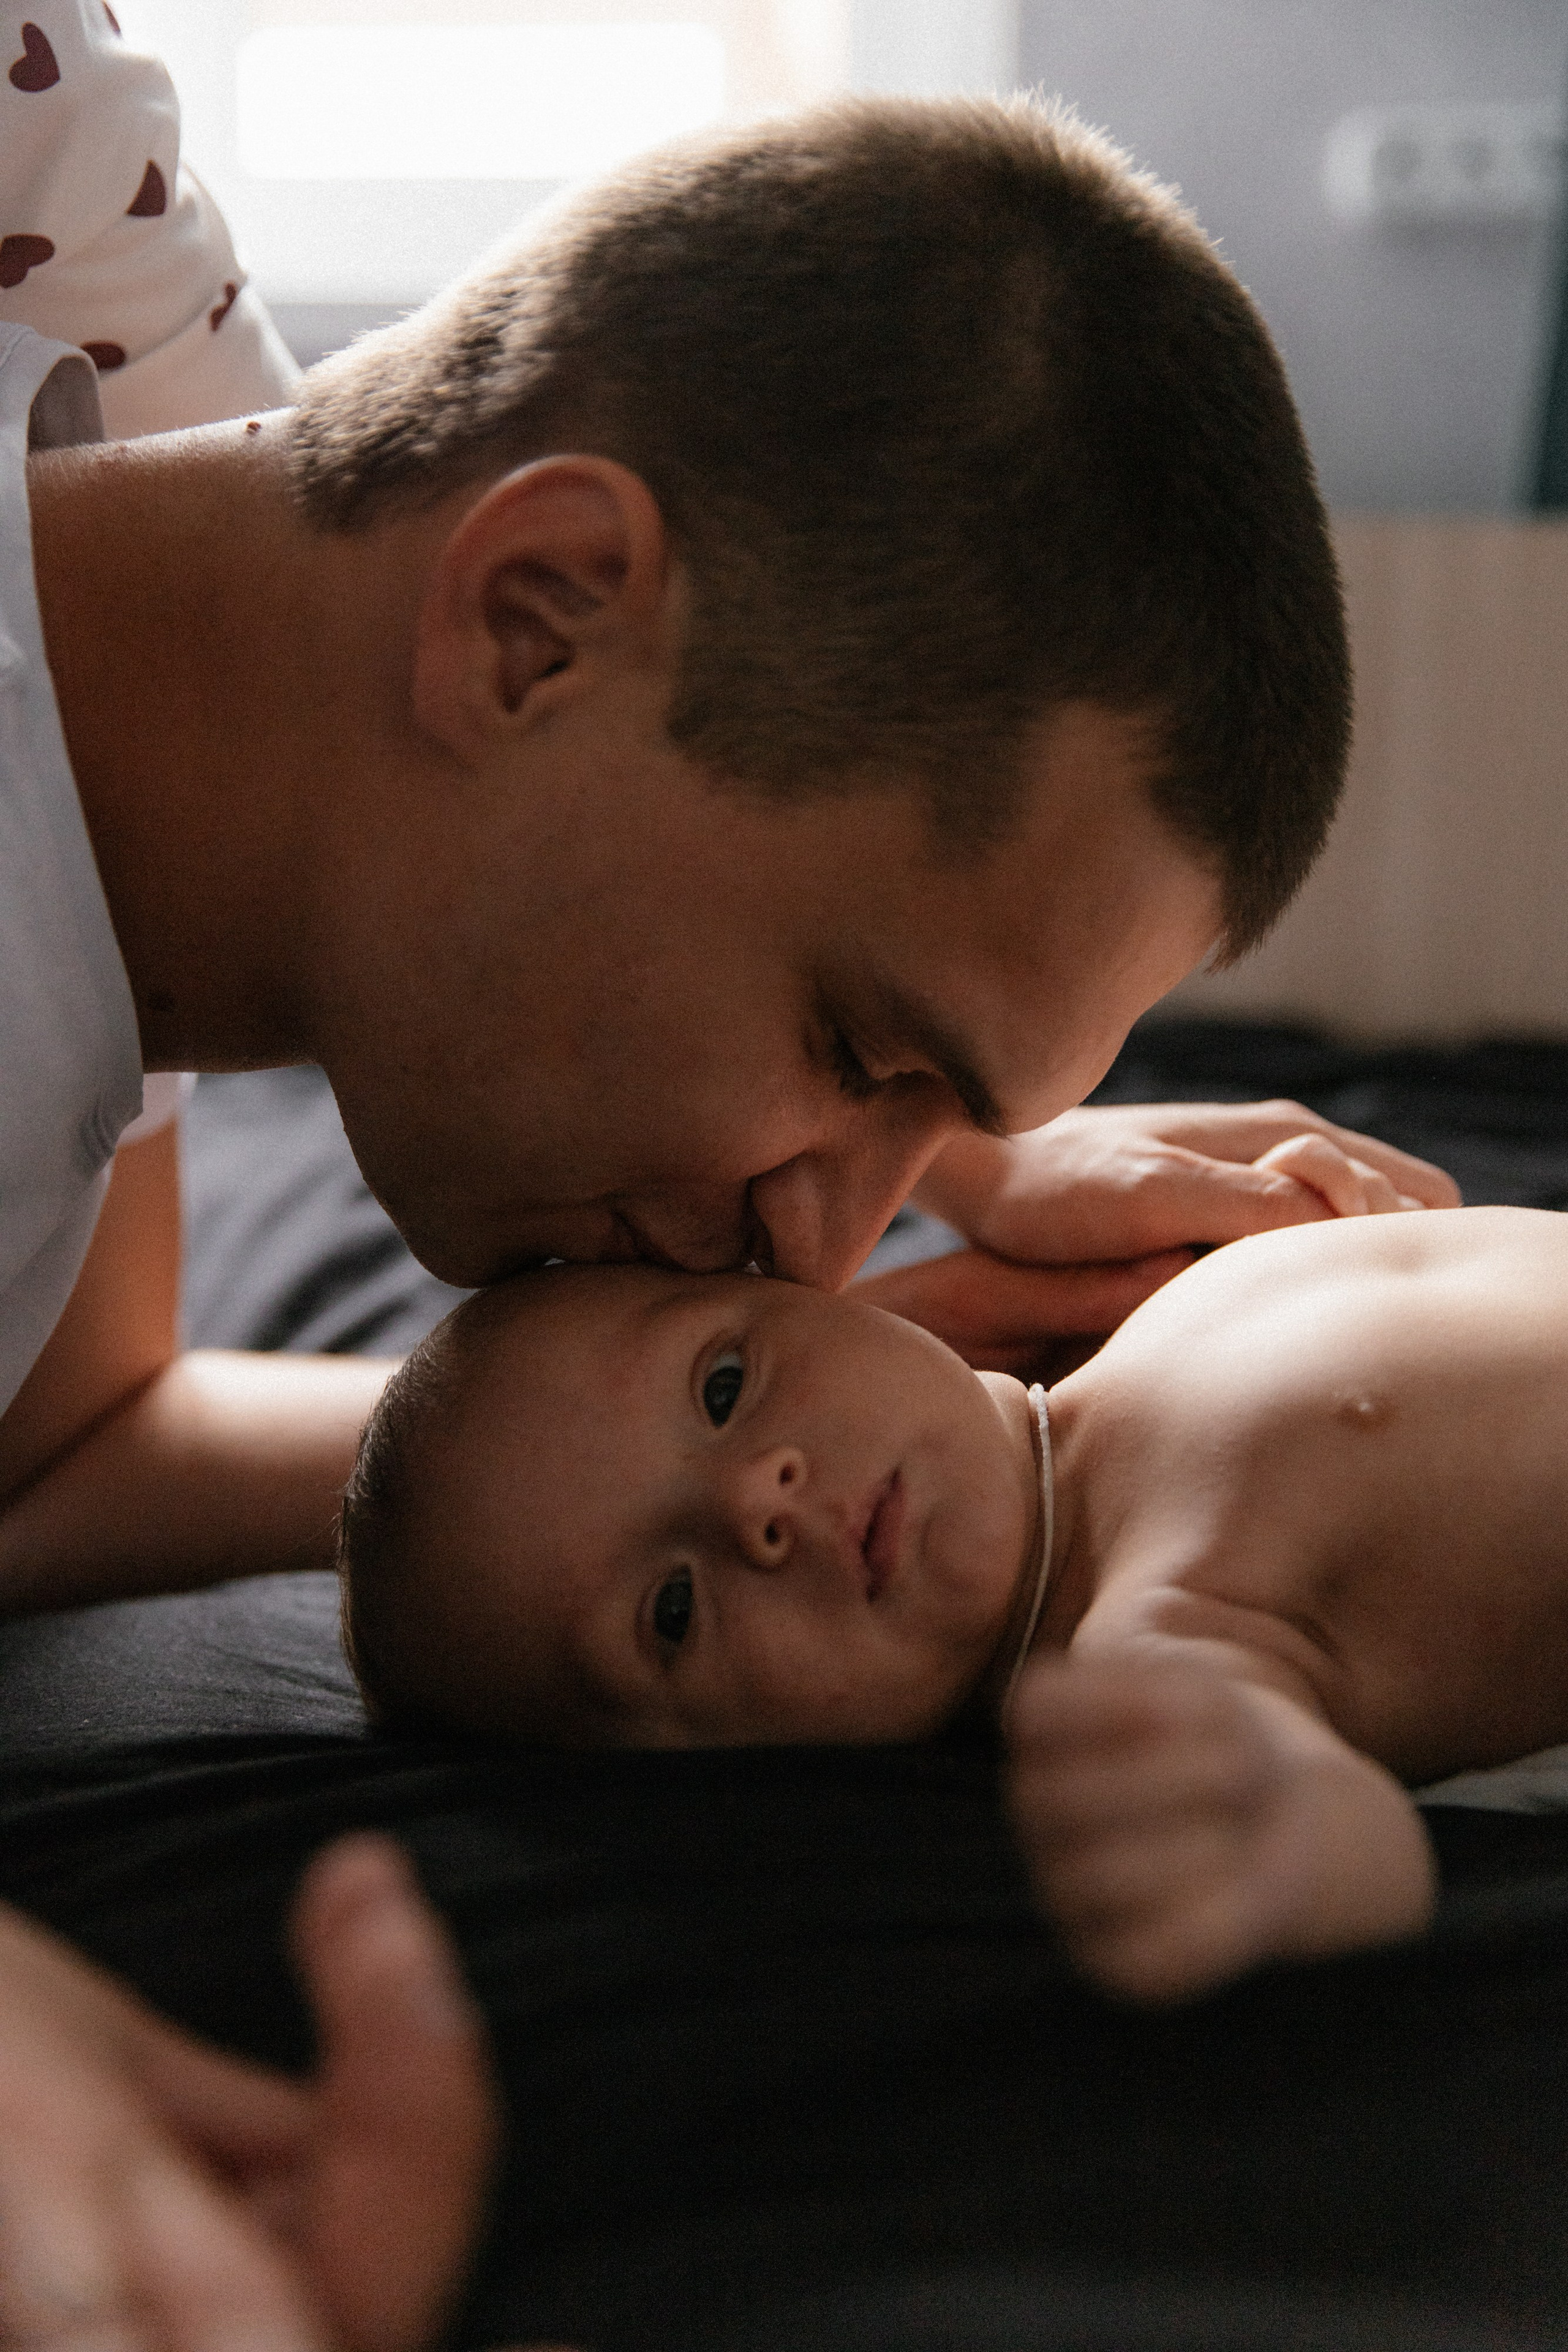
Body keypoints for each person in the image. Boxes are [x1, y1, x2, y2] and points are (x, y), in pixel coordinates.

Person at [0, 4, 1453, 2336]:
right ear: (541, 610)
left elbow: (57, 1456)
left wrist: (884, 1294)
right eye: (863, 1046)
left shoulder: (118, 343)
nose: (829, 1214)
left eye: (933, 1117)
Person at [334, 1189, 1568, 2010]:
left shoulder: (1150, 1320)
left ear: (822, 1288)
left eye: (721, 1387)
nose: (757, 1502)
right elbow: (1339, 1830)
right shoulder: (1155, 1636)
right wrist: (1274, 1840)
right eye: (670, 1611)